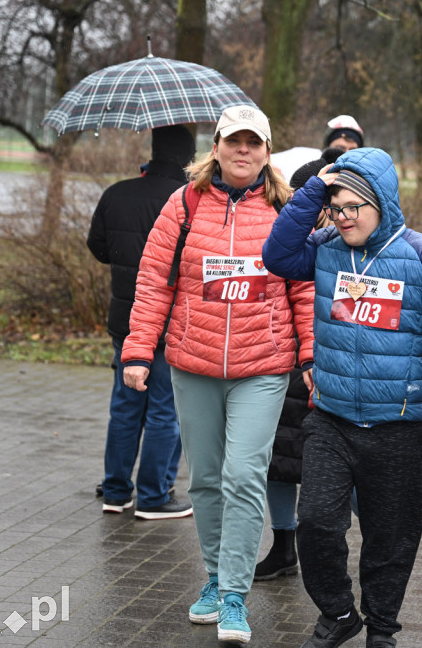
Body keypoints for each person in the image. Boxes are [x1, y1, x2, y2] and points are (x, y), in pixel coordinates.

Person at [121, 105, 315, 645]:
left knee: (245, 476)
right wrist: (138, 350)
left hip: (263, 367)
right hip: (194, 363)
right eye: (235, 142)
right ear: (216, 147)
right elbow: (154, 279)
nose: (243, 151)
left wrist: (311, 358)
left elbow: (303, 289)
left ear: (267, 152)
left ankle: (234, 594)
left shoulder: (286, 210)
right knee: (205, 479)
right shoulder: (183, 205)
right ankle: (212, 577)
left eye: (254, 143)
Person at [263, 147, 422, 648]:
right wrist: (316, 188)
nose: (344, 216)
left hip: (396, 425)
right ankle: (338, 612)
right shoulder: (327, 247)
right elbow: (277, 255)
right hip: (331, 420)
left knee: (390, 538)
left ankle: (381, 628)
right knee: (314, 522)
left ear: (383, 202)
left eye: (354, 206)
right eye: (337, 207)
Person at [86, 125, 196, 520]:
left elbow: (98, 247)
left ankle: (115, 491)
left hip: (125, 321)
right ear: (190, 155)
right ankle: (154, 495)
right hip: (168, 322)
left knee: (125, 406)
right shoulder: (188, 200)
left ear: (154, 150)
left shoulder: (117, 193)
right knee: (165, 409)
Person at [253, 148, 343, 583]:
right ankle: (285, 546)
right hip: (285, 365)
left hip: (322, 369)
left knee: (332, 467)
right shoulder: (289, 243)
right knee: (279, 461)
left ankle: (328, 548)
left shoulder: (351, 251)